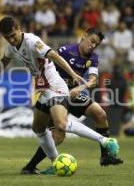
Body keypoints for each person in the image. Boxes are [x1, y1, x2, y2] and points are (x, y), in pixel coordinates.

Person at [0, 16, 119, 173]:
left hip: (56, 85)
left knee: (62, 124)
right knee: (38, 128)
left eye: (12, 35)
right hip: (44, 88)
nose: (10, 40)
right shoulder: (12, 47)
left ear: (18, 29)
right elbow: (3, 61)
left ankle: (105, 140)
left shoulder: (32, 41)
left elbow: (53, 56)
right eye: (6, 37)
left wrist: (72, 74)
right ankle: (54, 162)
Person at [21, 28, 123, 175]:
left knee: (99, 113)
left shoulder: (93, 58)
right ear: (85, 35)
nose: (93, 46)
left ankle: (105, 156)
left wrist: (82, 87)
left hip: (73, 94)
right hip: (55, 93)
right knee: (58, 135)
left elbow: (93, 81)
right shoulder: (65, 51)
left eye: (97, 44)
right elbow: (46, 67)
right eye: (92, 41)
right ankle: (31, 166)